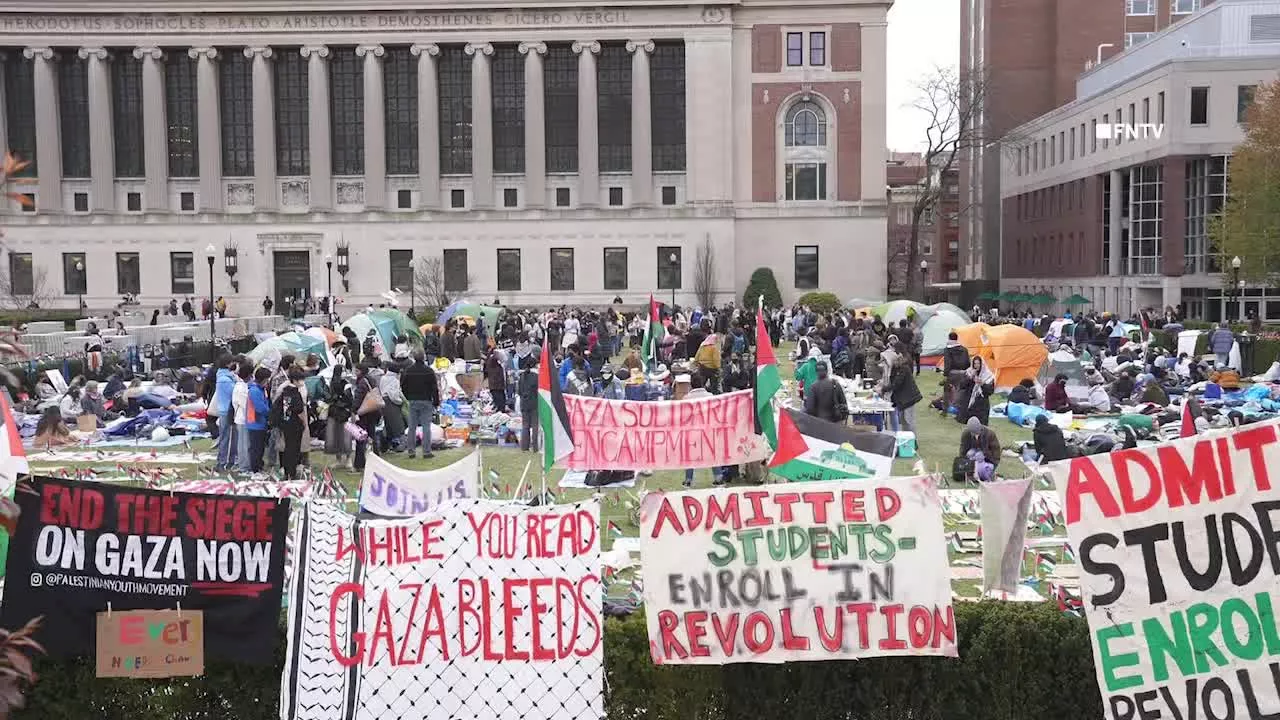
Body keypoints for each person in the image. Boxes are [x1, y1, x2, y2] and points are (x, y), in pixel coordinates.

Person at [270, 368, 308, 480]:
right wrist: (304, 423)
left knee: (287, 447)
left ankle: (287, 471)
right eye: (301, 379)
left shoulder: (285, 391)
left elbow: (286, 410)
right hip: (295, 424)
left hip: (286, 423)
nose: (302, 382)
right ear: (295, 380)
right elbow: (300, 411)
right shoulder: (296, 393)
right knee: (294, 448)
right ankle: (292, 471)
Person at [401, 350, 439, 459]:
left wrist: (408, 396)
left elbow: (403, 386)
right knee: (426, 426)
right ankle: (426, 451)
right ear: (423, 358)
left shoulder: (409, 371)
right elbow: (434, 388)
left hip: (413, 400)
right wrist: (436, 402)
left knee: (412, 427)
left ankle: (411, 451)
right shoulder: (429, 371)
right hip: (426, 400)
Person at [211, 356, 238, 471]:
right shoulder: (225, 379)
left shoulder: (226, 376)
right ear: (228, 364)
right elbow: (234, 392)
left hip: (226, 410)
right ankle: (224, 462)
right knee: (228, 438)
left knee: (227, 437)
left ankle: (225, 460)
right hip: (227, 411)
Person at [351, 363, 379, 471]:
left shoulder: (362, 382)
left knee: (361, 437)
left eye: (356, 371)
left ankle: (359, 464)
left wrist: (353, 411)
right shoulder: (372, 380)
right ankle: (377, 459)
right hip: (373, 410)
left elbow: (358, 398)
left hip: (363, 413)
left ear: (361, 371)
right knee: (372, 435)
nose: (355, 373)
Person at [885, 353, 922, 433]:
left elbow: (896, 384)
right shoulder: (895, 369)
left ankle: (913, 441)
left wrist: (883, 389)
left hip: (909, 398)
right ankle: (905, 440)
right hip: (902, 399)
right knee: (903, 421)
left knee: (908, 420)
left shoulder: (904, 369)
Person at [245, 367, 272, 473]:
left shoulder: (261, 389)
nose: (268, 382)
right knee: (256, 448)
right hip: (255, 423)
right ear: (263, 379)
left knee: (260, 448)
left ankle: (259, 466)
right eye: (267, 380)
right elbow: (260, 408)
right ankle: (255, 469)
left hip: (260, 423)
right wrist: (270, 414)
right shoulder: (255, 391)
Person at [324, 374, 354, 468]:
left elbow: (349, 399)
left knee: (346, 436)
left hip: (344, 413)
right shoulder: (330, 384)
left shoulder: (347, 384)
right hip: (334, 413)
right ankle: (339, 459)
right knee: (335, 436)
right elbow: (328, 397)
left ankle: (348, 459)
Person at [960, 416, 1001, 481]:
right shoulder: (966, 434)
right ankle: (972, 473)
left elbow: (996, 454)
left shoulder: (990, 434)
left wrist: (985, 456)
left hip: (987, 460)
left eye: (977, 433)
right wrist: (963, 463)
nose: (975, 435)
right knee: (971, 453)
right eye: (973, 433)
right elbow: (963, 450)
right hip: (971, 460)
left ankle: (983, 473)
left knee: (979, 455)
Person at [379, 360, 406, 453]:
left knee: (387, 425)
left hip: (383, 402)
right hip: (391, 403)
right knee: (398, 425)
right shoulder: (394, 380)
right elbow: (394, 395)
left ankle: (386, 446)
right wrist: (400, 402)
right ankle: (400, 445)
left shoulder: (383, 378)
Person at [958, 357, 995, 425]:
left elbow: (990, 391)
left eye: (978, 363)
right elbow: (962, 385)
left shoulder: (988, 376)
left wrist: (982, 384)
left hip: (981, 402)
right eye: (975, 364)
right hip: (968, 400)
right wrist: (970, 377)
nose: (976, 365)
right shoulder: (968, 372)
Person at [231, 362, 253, 473]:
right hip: (242, 418)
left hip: (244, 418)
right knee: (244, 445)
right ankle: (244, 467)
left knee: (245, 443)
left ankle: (246, 464)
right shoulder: (241, 387)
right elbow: (245, 404)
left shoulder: (243, 386)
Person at [517, 355, 540, 453]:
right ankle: (535, 447)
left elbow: (519, 391)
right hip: (534, 402)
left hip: (524, 402)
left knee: (525, 425)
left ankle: (524, 447)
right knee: (535, 426)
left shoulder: (522, 376)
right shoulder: (537, 376)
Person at [483, 347, 508, 411]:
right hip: (497, 382)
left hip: (495, 382)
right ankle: (501, 409)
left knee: (498, 396)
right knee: (500, 396)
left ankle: (500, 409)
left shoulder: (491, 358)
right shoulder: (493, 359)